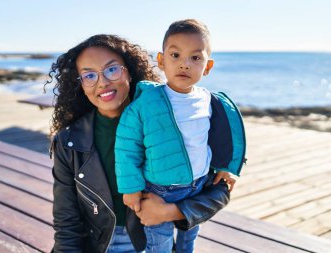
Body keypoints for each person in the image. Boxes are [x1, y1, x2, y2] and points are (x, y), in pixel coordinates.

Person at [46, 34, 231, 253]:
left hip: (152, 242)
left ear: (129, 72)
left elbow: (219, 194)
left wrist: (171, 212)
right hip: (97, 245)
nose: (103, 81)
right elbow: (67, 222)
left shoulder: (176, 119)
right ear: (80, 84)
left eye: (112, 69)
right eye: (89, 75)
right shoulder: (68, 141)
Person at [115, 20, 246, 253]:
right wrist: (130, 187)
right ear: (162, 61)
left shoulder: (209, 100)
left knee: (189, 237)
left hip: (199, 184)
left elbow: (221, 137)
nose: (185, 64)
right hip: (159, 190)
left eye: (195, 58)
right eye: (175, 55)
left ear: (207, 66)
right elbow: (127, 146)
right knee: (159, 243)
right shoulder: (146, 102)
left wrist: (226, 166)